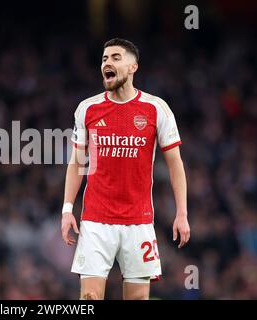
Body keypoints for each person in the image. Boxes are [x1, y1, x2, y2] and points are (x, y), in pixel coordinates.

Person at [61, 38, 190, 300]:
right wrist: (66, 209)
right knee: (89, 299)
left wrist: (182, 213)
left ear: (133, 67)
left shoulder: (156, 109)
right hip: (96, 220)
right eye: (104, 58)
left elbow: (175, 164)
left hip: (138, 221)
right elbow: (76, 162)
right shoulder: (87, 109)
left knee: (138, 299)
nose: (107, 63)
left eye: (116, 57)